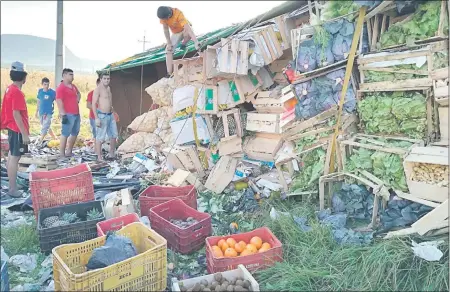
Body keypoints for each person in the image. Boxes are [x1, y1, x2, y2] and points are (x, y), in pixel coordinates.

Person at [0, 62, 30, 198]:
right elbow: (16, 114)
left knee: (12, 156)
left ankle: (12, 185)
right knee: (15, 158)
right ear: (24, 77)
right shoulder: (17, 92)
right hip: (17, 129)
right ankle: (13, 189)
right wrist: (24, 134)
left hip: (12, 127)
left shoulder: (9, 88)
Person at [157, 6, 200, 76]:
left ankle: (184, 43)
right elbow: (165, 30)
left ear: (169, 14)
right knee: (168, 50)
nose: (166, 20)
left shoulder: (178, 13)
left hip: (184, 29)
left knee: (187, 34)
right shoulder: (163, 17)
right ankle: (169, 73)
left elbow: (188, 28)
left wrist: (196, 42)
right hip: (176, 33)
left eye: (166, 18)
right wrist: (169, 43)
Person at [55, 68, 81, 158]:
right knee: (65, 133)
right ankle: (62, 153)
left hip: (76, 113)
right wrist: (63, 114)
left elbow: (78, 94)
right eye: (70, 75)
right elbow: (58, 100)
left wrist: (77, 100)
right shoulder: (61, 88)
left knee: (75, 132)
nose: (72, 77)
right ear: (64, 75)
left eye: (73, 75)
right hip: (68, 114)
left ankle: (69, 151)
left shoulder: (73, 86)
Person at [92, 73, 118, 161]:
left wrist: (114, 112)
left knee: (114, 135)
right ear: (101, 79)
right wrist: (96, 118)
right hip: (102, 115)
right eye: (105, 78)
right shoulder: (98, 89)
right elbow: (93, 104)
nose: (107, 80)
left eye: (108, 78)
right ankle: (99, 157)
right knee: (100, 137)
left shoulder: (108, 88)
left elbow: (110, 102)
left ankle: (112, 154)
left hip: (110, 115)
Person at [35, 77, 57, 144]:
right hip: (41, 111)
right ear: (42, 84)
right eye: (45, 84)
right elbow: (38, 101)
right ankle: (54, 137)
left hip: (49, 112)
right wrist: (36, 111)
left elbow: (58, 100)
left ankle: (40, 140)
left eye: (47, 84)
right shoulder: (40, 91)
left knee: (45, 126)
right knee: (45, 125)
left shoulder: (52, 92)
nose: (46, 86)